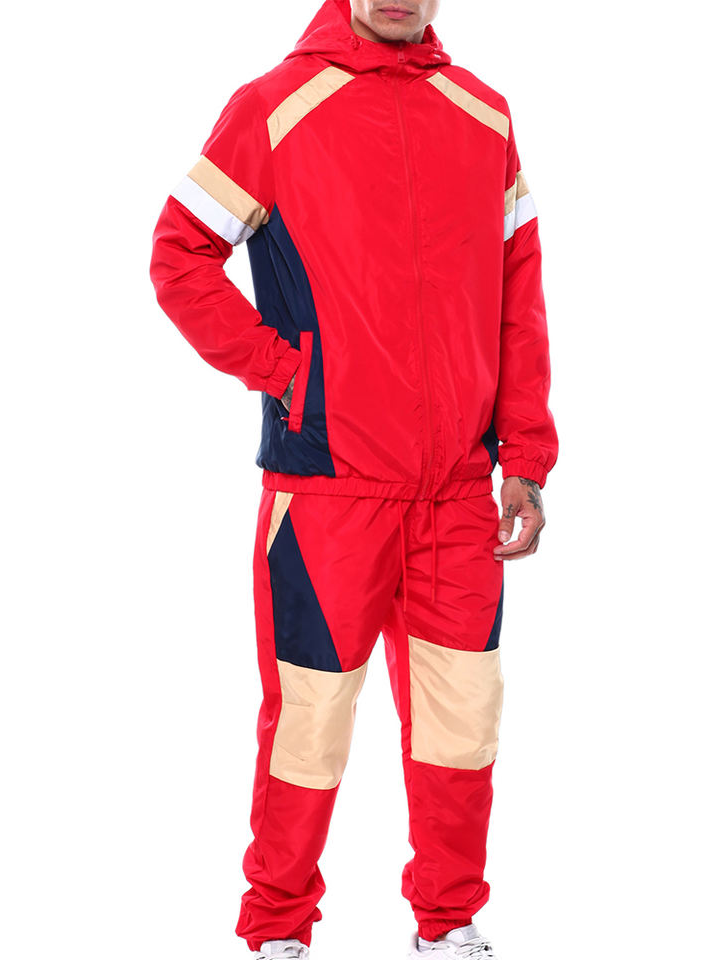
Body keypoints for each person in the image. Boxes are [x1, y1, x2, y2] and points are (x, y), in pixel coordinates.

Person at [148, 1, 558, 958]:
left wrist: (527, 460)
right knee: (311, 721)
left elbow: (520, 295)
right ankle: (277, 928)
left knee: (462, 724)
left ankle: (448, 924)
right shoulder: (273, 106)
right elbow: (179, 254)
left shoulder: (486, 114)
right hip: (328, 490)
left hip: (459, 494)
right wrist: (284, 371)